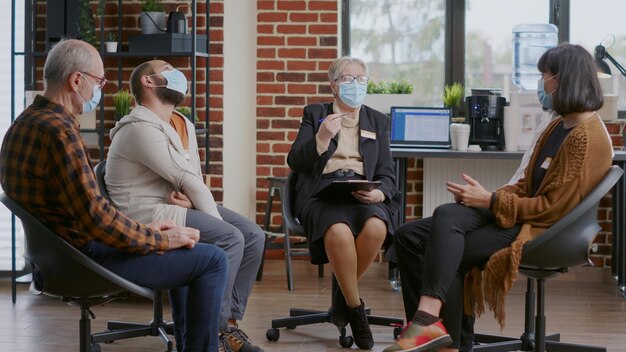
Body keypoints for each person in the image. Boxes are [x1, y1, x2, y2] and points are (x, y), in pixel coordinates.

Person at [0, 39, 228, 352]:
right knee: (211, 259)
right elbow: (96, 220)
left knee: (189, 249)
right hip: (82, 260)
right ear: (76, 80)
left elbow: (90, 210)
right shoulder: (58, 131)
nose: (101, 90)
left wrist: (149, 230)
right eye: (99, 82)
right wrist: (160, 239)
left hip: (51, 262)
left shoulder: (22, 123)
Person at [383, 43, 613, 352]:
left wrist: (491, 202)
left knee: (450, 252)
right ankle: (431, 330)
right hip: (520, 212)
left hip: (543, 229)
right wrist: (488, 196)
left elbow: (551, 209)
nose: (541, 83)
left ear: (561, 80)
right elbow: (527, 184)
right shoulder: (559, 125)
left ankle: (443, 339)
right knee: (411, 235)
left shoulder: (586, 137)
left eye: (544, 75)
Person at [104, 60, 265, 352]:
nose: (177, 74)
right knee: (231, 236)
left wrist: (195, 202)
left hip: (176, 204)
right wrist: (216, 220)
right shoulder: (139, 128)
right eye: (167, 69)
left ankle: (228, 326)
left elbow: (194, 179)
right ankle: (212, 336)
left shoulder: (181, 123)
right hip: (146, 213)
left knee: (254, 236)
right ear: (148, 82)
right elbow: (184, 177)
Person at [287, 56, 400, 349]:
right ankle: (356, 310)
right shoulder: (315, 114)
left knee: (376, 227)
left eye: (361, 80)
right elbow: (296, 161)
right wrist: (321, 138)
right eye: (348, 80)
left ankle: (342, 302)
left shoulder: (378, 120)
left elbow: (388, 172)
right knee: (338, 231)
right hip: (322, 191)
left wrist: (380, 193)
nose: (356, 85)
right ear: (333, 87)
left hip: (363, 192)